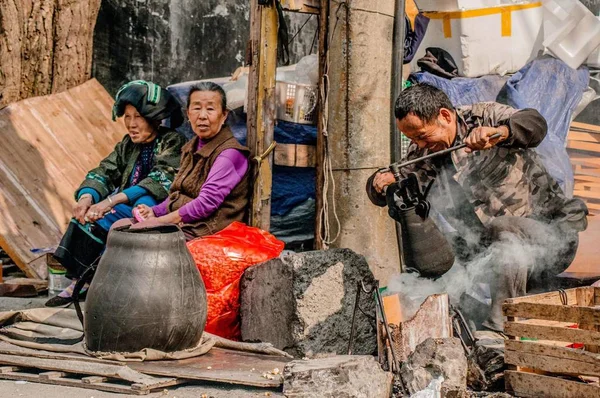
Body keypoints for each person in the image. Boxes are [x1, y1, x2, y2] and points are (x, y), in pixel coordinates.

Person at [366, 83, 588, 331]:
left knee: (503, 230)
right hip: (490, 249)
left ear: (445, 116)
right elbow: (393, 186)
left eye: (422, 135)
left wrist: (501, 133)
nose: (420, 144)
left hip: (550, 239)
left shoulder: (484, 116)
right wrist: (379, 184)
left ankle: (501, 328)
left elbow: (535, 124)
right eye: (412, 139)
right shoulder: (424, 153)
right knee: (440, 252)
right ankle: (452, 324)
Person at [46, 80, 187, 307]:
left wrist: (110, 201)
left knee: (139, 204)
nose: (131, 124)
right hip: (122, 204)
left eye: (138, 117)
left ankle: (103, 283)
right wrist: (87, 197)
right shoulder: (127, 145)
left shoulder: (173, 140)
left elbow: (161, 179)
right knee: (86, 220)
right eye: (127, 117)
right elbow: (105, 170)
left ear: (155, 118)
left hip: (154, 208)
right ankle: (81, 280)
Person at [130, 81, 250, 240]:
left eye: (210, 109)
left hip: (209, 232)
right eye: (197, 108)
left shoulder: (230, 154)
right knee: (121, 226)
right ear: (188, 114)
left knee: (136, 239)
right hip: (187, 226)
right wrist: (155, 211)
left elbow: (206, 203)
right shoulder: (190, 148)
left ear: (224, 115)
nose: (202, 116)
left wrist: (159, 221)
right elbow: (178, 195)